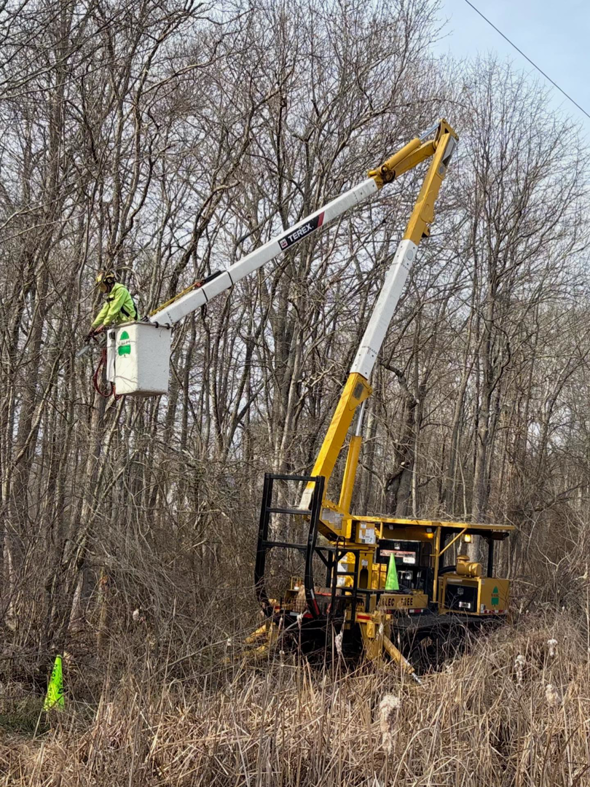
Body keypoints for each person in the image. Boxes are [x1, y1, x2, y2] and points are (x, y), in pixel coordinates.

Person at [86, 271, 138, 341]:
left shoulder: (121, 291)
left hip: (131, 322)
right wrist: (93, 327)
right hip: (122, 325)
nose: (103, 290)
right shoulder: (110, 295)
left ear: (109, 282)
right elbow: (103, 312)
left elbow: (114, 310)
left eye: (103, 286)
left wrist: (103, 325)